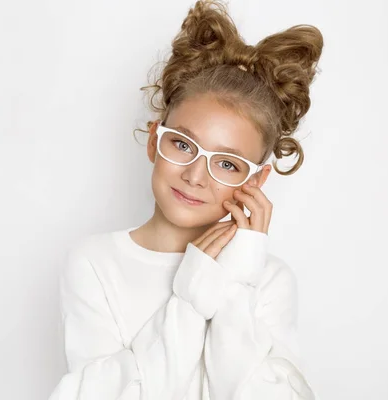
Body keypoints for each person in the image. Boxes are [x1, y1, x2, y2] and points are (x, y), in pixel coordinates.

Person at [48, 1, 323, 399]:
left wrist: (232, 283)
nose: (195, 176)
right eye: (182, 144)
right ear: (154, 141)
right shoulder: (94, 263)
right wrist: (191, 303)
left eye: (227, 164)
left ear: (257, 180)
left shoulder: (267, 279)